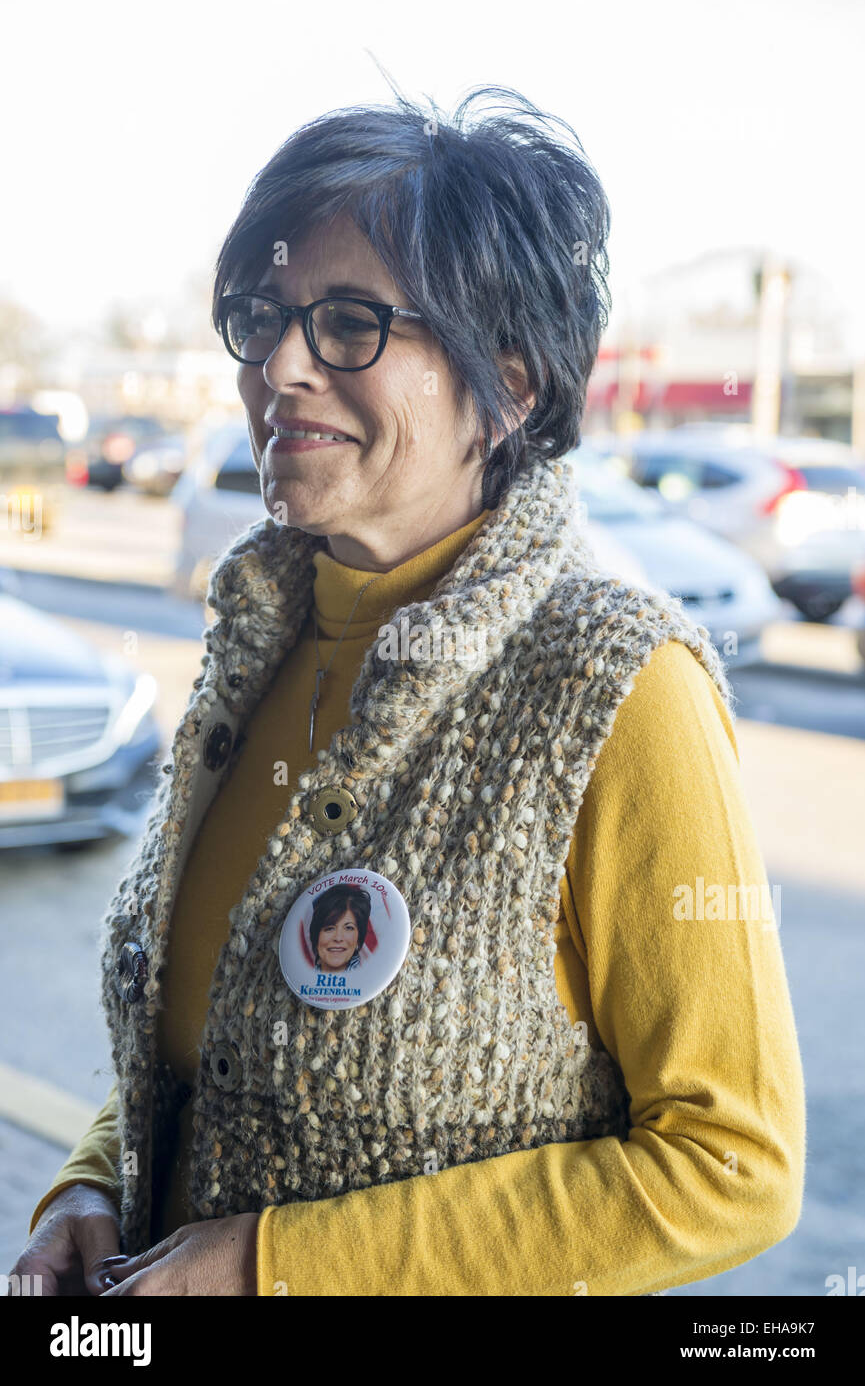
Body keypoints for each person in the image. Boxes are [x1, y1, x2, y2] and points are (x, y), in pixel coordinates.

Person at [12, 85, 804, 1297]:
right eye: (260, 316)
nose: (280, 364)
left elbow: (731, 1162)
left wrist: (278, 1267)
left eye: (347, 324)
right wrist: (90, 1184)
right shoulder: (255, 650)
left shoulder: (617, 688)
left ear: (512, 382)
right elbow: (205, 1053)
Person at [309, 886, 370, 972]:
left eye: (348, 928)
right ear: (316, 935)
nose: (338, 938)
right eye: (329, 928)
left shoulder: (370, 975)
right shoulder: (302, 975)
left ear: (359, 937)